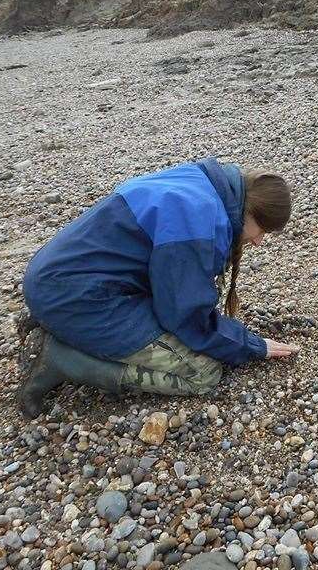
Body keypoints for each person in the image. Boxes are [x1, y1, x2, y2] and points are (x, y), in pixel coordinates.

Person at [16, 157, 298, 419]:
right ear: (249, 211)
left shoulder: (201, 183)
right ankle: (59, 357)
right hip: (78, 298)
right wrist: (250, 345)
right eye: (262, 230)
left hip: (55, 277)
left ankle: (59, 322)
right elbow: (186, 316)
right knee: (202, 373)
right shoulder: (197, 222)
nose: (259, 241)